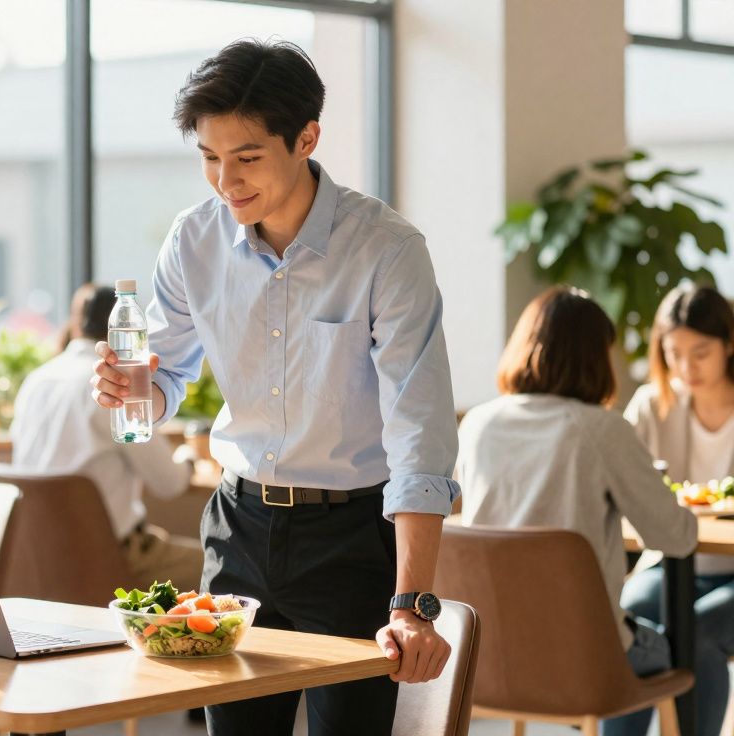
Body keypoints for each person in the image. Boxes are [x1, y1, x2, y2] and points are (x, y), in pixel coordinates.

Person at [90, 39, 455, 734]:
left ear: (307, 137)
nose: (226, 181)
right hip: (239, 528)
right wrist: (129, 389)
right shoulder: (192, 241)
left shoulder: (386, 250)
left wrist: (411, 602)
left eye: (247, 157)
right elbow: (162, 376)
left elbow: (420, 432)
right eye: (209, 158)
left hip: (351, 532)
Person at [455, 287, 698, 736]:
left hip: (487, 660)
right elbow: (675, 537)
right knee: (673, 652)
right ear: (594, 357)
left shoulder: (477, 425)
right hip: (583, 660)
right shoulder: (600, 429)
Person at [11, 284, 202, 588]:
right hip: (110, 558)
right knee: (224, 568)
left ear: (75, 322)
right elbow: (170, 483)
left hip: (40, 560)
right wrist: (188, 460)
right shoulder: (112, 388)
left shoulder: (35, 382)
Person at [621, 284, 734, 736]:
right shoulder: (652, 405)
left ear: (728, 344)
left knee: (697, 635)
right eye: (674, 354)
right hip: (668, 565)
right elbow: (620, 483)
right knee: (627, 625)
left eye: (701, 352)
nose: (687, 368)